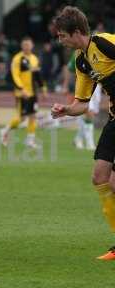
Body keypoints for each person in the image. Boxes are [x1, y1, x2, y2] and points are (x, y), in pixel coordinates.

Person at [51, 6, 115, 260]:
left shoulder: (105, 43)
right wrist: (66, 109)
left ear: (76, 32)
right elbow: (82, 103)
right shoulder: (81, 61)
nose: (59, 40)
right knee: (101, 177)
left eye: (61, 35)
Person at [0, 37, 47, 148]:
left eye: (28, 44)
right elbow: (15, 75)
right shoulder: (17, 58)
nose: (27, 46)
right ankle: (5, 130)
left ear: (32, 45)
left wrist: (43, 88)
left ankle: (30, 140)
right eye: (25, 45)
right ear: (22, 46)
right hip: (22, 93)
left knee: (33, 116)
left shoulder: (34, 59)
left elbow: (37, 76)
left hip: (33, 92)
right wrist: (21, 89)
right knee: (21, 118)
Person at [62, 50, 102, 150]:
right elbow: (69, 68)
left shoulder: (101, 49)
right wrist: (66, 85)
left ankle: (78, 139)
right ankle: (90, 143)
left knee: (90, 113)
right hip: (85, 84)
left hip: (98, 87)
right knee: (89, 112)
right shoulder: (78, 52)